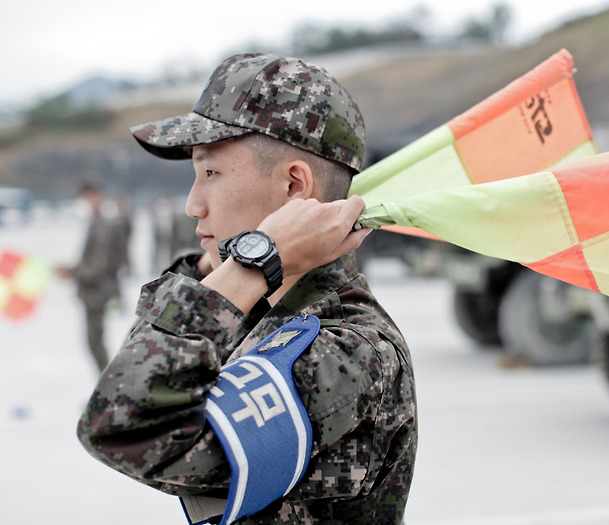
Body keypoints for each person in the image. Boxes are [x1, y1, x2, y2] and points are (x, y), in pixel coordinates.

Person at [76, 53, 417, 525]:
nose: (194, 205)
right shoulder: (257, 308)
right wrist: (227, 269)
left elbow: (123, 426)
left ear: (294, 185)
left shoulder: (349, 348)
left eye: (211, 174)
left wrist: (255, 262)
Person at [58, 181, 127, 372]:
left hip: (98, 292)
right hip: (94, 291)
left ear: (95, 196)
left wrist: (72, 272)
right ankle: (106, 386)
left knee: (95, 342)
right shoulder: (97, 223)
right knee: (94, 342)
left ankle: (108, 387)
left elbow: (99, 265)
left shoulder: (103, 225)